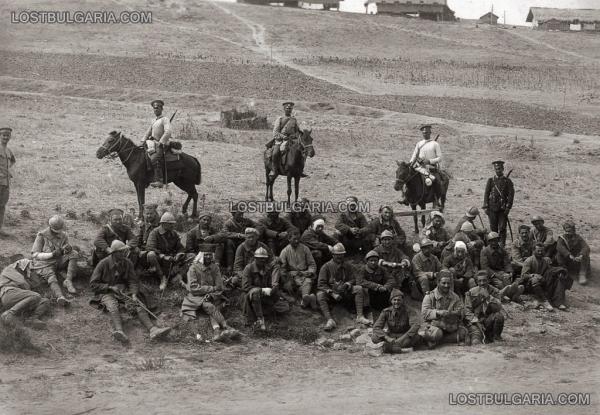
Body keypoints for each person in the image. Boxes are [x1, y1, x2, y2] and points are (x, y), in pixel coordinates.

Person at [90, 240, 171, 343]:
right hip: (106, 292)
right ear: (114, 253)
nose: (124, 253)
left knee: (138, 304)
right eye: (121, 251)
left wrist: (133, 293)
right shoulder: (103, 263)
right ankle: (119, 331)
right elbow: (93, 284)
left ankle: (153, 329)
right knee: (112, 306)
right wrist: (109, 287)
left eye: (124, 251)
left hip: (124, 290)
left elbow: (133, 280)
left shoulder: (127, 263)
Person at [181, 251, 239, 342]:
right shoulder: (193, 268)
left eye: (210, 255)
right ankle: (226, 327)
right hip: (196, 296)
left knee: (217, 305)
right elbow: (193, 288)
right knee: (208, 305)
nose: (208, 257)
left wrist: (212, 295)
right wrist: (211, 288)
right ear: (201, 256)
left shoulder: (215, 267)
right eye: (206, 255)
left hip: (213, 294)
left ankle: (219, 332)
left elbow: (219, 287)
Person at [316, 243, 371, 331]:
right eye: (337, 255)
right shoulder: (326, 267)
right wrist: (332, 293)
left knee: (359, 289)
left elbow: (353, 279)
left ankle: (360, 316)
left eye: (341, 255)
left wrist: (347, 284)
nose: (339, 257)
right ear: (333, 255)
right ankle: (330, 320)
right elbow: (321, 284)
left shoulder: (348, 266)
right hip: (332, 295)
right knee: (320, 295)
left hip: (345, 293)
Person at [31, 215, 78, 302]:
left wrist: (67, 249)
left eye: (60, 230)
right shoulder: (42, 235)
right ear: (50, 227)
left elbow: (65, 248)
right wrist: (51, 254)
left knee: (74, 253)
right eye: (56, 231)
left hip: (58, 261)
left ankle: (68, 280)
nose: (58, 233)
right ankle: (60, 297)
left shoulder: (64, 235)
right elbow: (35, 255)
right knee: (51, 277)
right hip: (45, 263)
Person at [241, 247, 287, 330]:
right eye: (260, 259)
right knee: (255, 293)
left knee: (283, 304)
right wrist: (261, 290)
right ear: (255, 258)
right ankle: (260, 319)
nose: (263, 261)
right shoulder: (249, 268)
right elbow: (245, 286)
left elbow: (269, 284)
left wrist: (273, 289)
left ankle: (268, 315)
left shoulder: (266, 269)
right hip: (250, 297)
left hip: (262, 297)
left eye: (264, 259)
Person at [0, 257, 50, 329]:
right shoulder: (9, 269)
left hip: (19, 299)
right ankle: (9, 313)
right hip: (8, 294)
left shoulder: (22, 276)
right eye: (29, 268)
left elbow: (30, 285)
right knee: (36, 296)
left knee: (45, 301)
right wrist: (34, 282)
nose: (30, 271)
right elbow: (24, 284)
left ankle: (32, 319)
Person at [521, 243, 572, 311]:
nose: (540, 252)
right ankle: (545, 301)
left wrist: (560, 271)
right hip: (530, 285)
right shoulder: (529, 260)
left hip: (543, 282)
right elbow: (523, 276)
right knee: (535, 280)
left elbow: (550, 270)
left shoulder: (545, 260)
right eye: (538, 251)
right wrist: (533, 275)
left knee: (558, 278)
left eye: (542, 251)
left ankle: (558, 302)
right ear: (533, 251)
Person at [420, 272, 466, 349]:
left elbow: (461, 311)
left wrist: (453, 313)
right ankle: (436, 337)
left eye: (448, 283)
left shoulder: (455, 297)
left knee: (463, 333)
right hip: (433, 325)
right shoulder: (430, 296)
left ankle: (437, 341)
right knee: (437, 333)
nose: (446, 285)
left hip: (450, 326)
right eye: (443, 283)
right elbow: (424, 313)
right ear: (438, 282)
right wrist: (438, 312)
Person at [146, 212, 189, 290]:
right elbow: (150, 247)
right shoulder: (154, 233)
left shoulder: (173, 233)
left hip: (171, 259)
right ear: (163, 224)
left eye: (173, 224)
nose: (173, 226)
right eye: (170, 224)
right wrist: (163, 256)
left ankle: (178, 276)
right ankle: (162, 277)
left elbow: (180, 247)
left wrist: (179, 254)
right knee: (151, 254)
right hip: (160, 260)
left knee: (191, 256)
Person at [371, 289, 422, 353]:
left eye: (399, 300)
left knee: (416, 338)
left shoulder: (410, 310)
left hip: (404, 336)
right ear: (391, 301)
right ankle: (401, 349)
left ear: (402, 301)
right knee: (374, 337)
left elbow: (415, 325)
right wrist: (387, 338)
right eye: (394, 300)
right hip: (391, 337)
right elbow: (376, 327)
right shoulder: (386, 311)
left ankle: (389, 348)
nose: (396, 302)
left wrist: (402, 339)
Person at [279, 229, 318, 309]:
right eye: (294, 239)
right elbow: (282, 268)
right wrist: (287, 276)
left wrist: (310, 272)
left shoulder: (305, 249)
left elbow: (312, 264)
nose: (297, 241)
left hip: (304, 274)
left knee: (307, 281)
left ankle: (304, 298)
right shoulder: (285, 251)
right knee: (290, 286)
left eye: (298, 239)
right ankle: (307, 299)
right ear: (289, 239)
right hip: (292, 276)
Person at [405, 125, 442, 207]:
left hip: (430, 168)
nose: (426, 134)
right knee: (408, 179)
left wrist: (429, 161)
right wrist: (410, 165)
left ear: (430, 133)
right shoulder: (419, 144)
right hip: (419, 167)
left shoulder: (435, 144)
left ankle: (436, 198)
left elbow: (440, 158)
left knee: (433, 180)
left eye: (427, 132)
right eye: (424, 132)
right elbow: (414, 156)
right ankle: (407, 198)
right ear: (422, 133)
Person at [480, 232, 523, 302]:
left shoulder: (502, 250)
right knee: (500, 283)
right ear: (489, 242)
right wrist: (496, 275)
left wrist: (509, 272)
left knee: (506, 278)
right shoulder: (484, 251)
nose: (494, 242)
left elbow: (507, 262)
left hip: (501, 271)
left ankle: (511, 294)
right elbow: (485, 267)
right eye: (492, 240)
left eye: (496, 240)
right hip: (491, 274)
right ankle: (513, 294)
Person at [464, 271, 505, 345]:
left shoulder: (495, 291)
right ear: (477, 282)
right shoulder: (471, 293)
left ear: (488, 281)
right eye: (479, 281)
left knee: (499, 316)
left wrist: (488, 297)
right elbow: (467, 311)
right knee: (476, 340)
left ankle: (496, 337)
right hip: (476, 321)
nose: (482, 283)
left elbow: (498, 307)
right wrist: (476, 322)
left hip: (489, 320)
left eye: (484, 280)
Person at [267, 101, 303, 177]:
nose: (289, 110)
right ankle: (274, 170)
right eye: (287, 108)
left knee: (301, 151)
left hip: (292, 141)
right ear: (284, 109)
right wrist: (283, 137)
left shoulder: (294, 120)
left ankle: (300, 170)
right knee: (275, 153)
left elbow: (297, 130)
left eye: (290, 108)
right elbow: (275, 132)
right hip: (280, 141)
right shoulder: (279, 119)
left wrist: (300, 133)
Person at [483, 160, 514, 246]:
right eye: (496, 169)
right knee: (493, 228)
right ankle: (494, 244)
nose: (498, 170)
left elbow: (511, 195)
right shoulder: (490, 180)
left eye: (500, 169)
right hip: (492, 208)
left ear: (503, 169)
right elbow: (486, 193)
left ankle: (502, 245)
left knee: (502, 228)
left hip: (502, 209)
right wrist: (485, 206)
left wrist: (508, 207)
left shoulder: (507, 181)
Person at [143, 99, 172, 188]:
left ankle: (159, 181)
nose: (155, 110)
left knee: (154, 159)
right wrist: (143, 140)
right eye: (154, 108)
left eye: (157, 108)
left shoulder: (165, 119)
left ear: (161, 108)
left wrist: (161, 142)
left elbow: (168, 132)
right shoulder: (154, 120)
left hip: (161, 144)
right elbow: (148, 131)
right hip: (152, 143)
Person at [221, 203, 256, 274]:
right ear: (233, 214)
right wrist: (239, 235)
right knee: (229, 242)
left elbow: (257, 225)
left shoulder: (247, 221)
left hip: (244, 242)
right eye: (239, 214)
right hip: (233, 244)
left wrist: (254, 232)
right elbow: (225, 233)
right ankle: (230, 266)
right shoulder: (228, 223)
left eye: (242, 214)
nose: (241, 216)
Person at [556, 220, 590, 286]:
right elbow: (559, 247)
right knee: (559, 254)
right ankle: (563, 270)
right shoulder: (562, 238)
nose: (568, 232)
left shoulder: (578, 237)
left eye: (570, 230)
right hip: (567, 259)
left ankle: (582, 274)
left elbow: (586, 247)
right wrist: (568, 255)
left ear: (574, 230)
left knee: (585, 255)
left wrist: (581, 255)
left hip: (577, 260)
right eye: (567, 230)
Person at [0, 127, 15, 237]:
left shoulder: (8, 151)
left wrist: (8, 171)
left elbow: (12, 161)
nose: (5, 137)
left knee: (2, 206)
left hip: (6, 183)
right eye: (3, 135)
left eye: (7, 135)